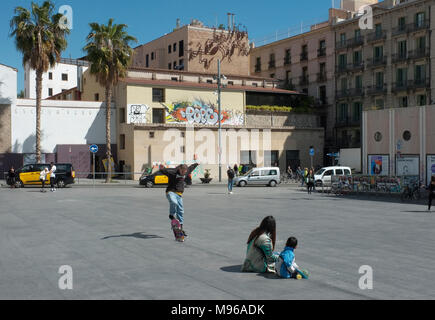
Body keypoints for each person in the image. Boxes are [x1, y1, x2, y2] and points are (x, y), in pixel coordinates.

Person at [159, 155, 199, 236]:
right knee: (174, 202)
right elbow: (164, 171)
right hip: (171, 192)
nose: (184, 173)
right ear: (180, 169)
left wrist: (196, 164)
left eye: (185, 172)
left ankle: (180, 228)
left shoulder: (186, 171)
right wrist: (161, 167)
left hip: (179, 194)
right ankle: (171, 215)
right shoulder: (173, 172)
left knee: (181, 211)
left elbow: (191, 168)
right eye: (183, 172)